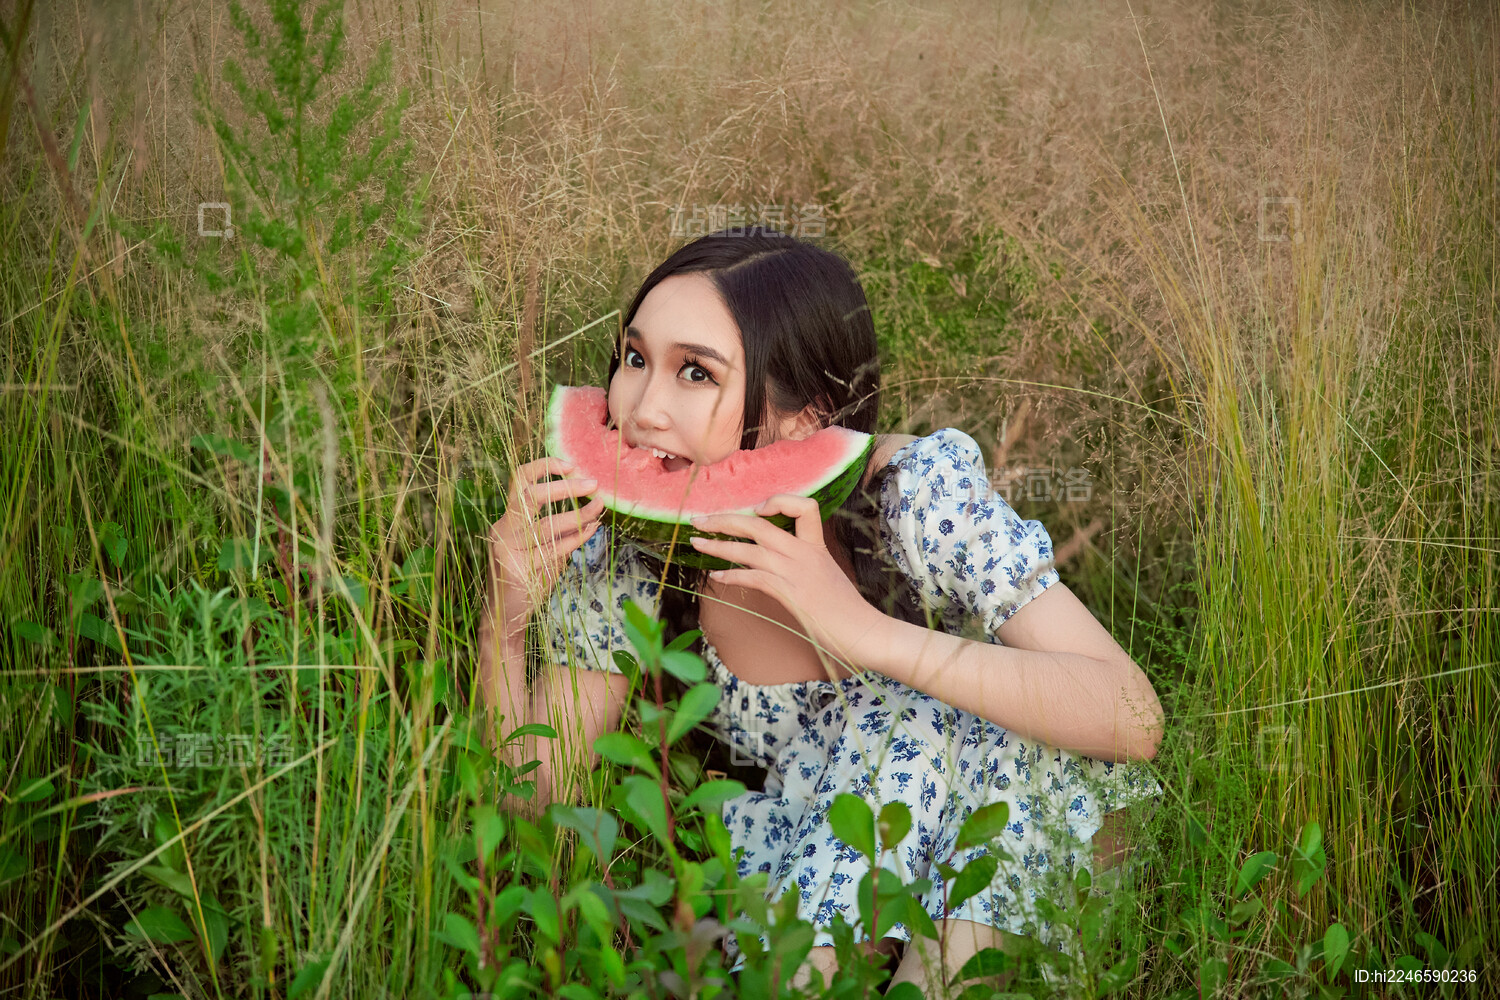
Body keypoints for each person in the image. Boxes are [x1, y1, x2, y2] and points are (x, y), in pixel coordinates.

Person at [477, 227, 1164, 995]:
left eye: (696, 373)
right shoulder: (634, 551)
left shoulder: (916, 497)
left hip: (1017, 839)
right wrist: (505, 620)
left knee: (909, 715)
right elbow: (528, 804)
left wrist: (866, 633)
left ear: (808, 414)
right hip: (809, 859)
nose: (641, 409)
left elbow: (1132, 716)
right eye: (634, 359)